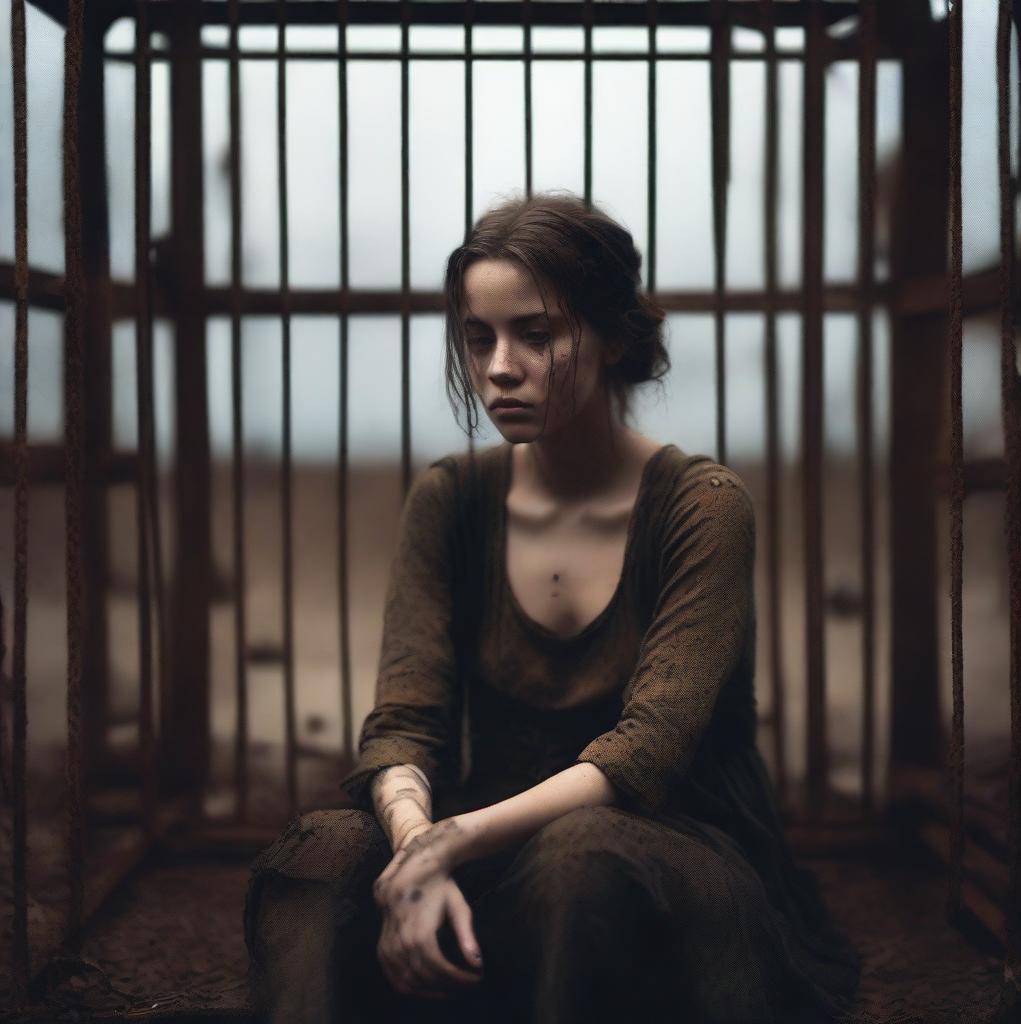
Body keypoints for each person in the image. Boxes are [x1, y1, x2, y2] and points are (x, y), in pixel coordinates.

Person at [243, 191, 862, 1024]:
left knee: (578, 858)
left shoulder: (703, 507)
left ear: (611, 337)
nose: (500, 366)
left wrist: (453, 842)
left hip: (674, 847)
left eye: (537, 334)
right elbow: (405, 721)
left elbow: (647, 751)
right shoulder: (451, 501)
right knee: (323, 849)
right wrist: (417, 842)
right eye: (478, 337)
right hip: (493, 840)